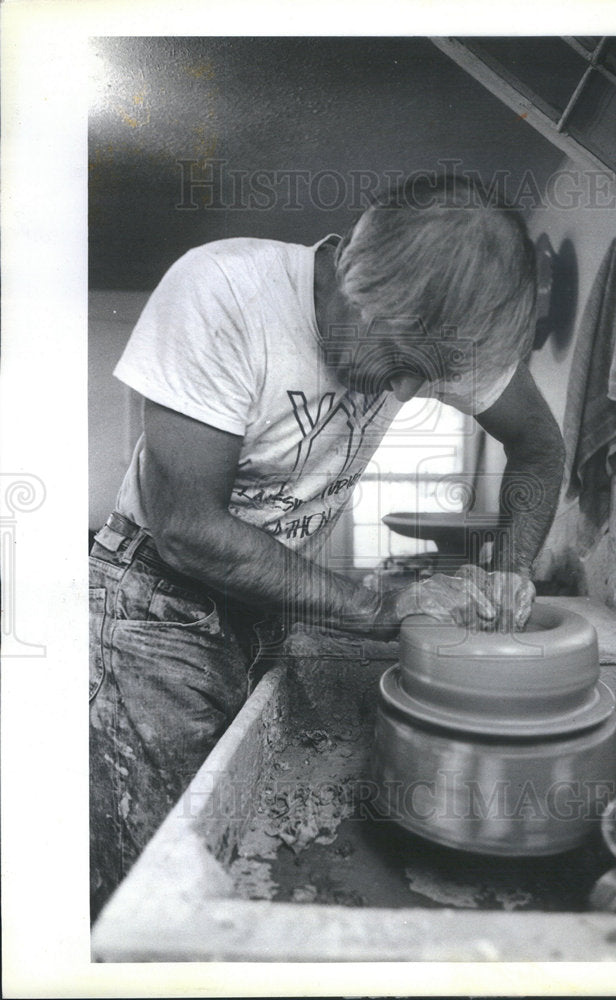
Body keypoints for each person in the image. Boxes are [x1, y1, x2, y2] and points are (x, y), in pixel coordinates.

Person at [89, 173, 565, 918]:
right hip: (154, 606)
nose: (406, 393)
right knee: (162, 883)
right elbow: (188, 531)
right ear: (351, 272)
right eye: (399, 359)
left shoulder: (435, 322)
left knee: (240, 839)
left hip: (263, 605)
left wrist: (510, 568)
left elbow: (538, 448)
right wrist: (381, 609)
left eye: (429, 377)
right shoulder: (224, 291)